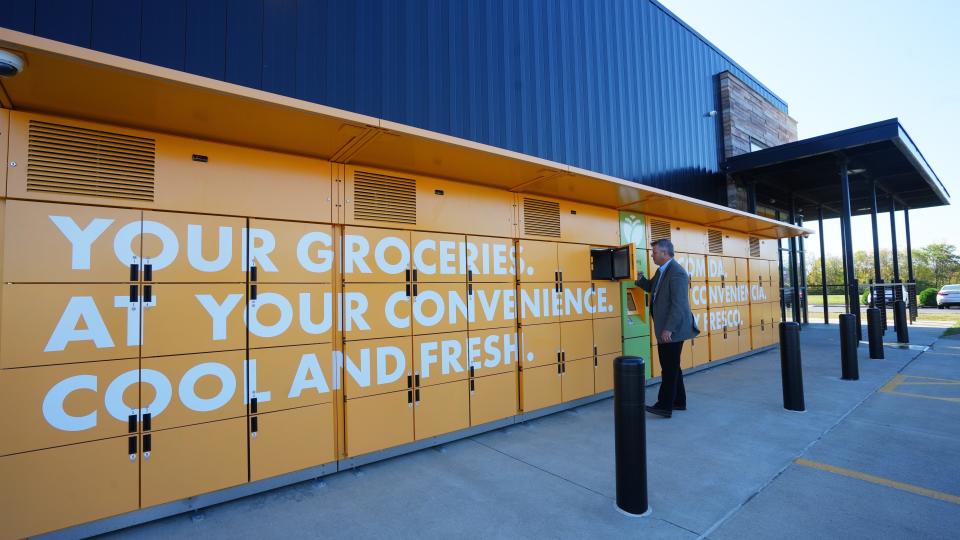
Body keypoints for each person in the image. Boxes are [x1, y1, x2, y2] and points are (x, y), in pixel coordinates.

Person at [635, 239, 699, 418]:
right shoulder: (662, 271)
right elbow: (652, 289)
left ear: (664, 253)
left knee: (669, 368)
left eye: (654, 252)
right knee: (673, 366)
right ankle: (679, 401)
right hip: (667, 327)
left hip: (674, 330)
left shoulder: (677, 273)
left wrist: (668, 329)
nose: (652, 255)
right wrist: (640, 280)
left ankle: (664, 405)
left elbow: (679, 305)